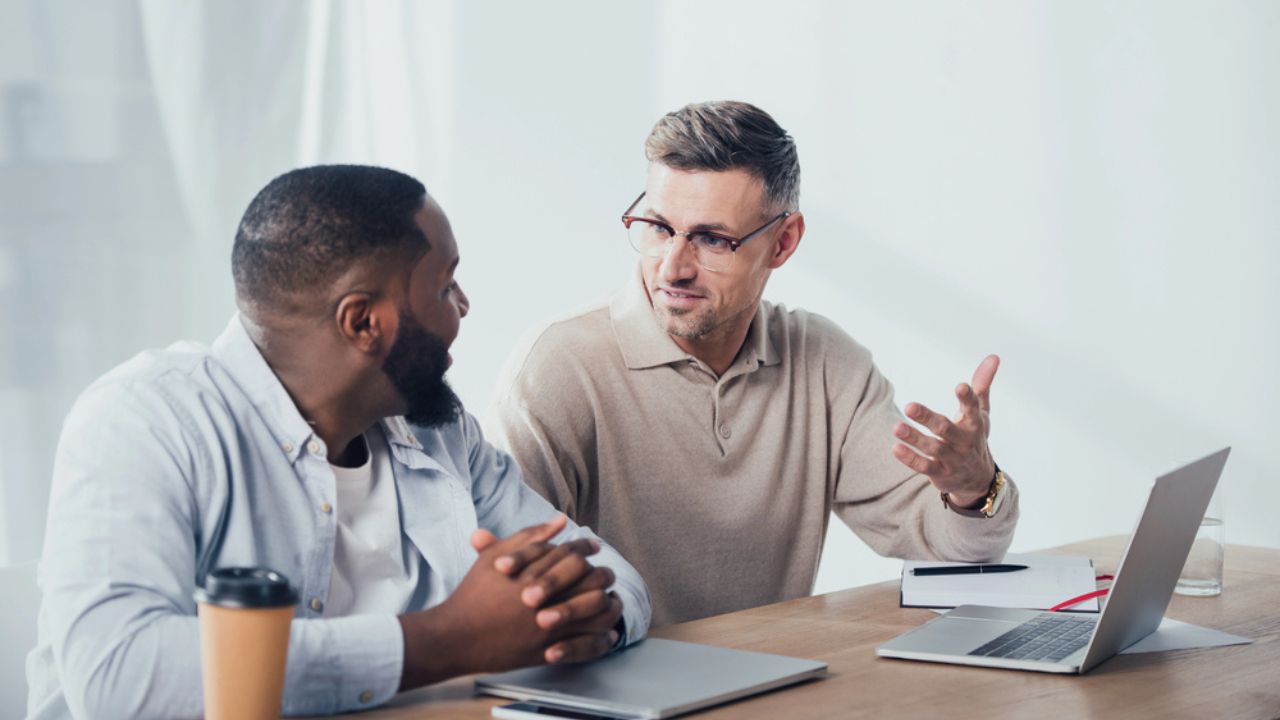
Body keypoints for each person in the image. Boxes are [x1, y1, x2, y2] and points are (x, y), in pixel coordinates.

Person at [27, 165, 650, 719]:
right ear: (364, 322)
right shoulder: (146, 420)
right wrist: (445, 640)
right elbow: (119, 677)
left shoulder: (439, 428)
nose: (464, 304)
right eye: (444, 286)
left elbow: (612, 576)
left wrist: (575, 619)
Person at [492, 101, 1019, 626]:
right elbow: (503, 589)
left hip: (771, 687)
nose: (673, 268)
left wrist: (974, 487)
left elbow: (952, 553)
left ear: (783, 242)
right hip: (611, 692)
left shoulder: (824, 363)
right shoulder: (557, 367)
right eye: (657, 227)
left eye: (711, 239)